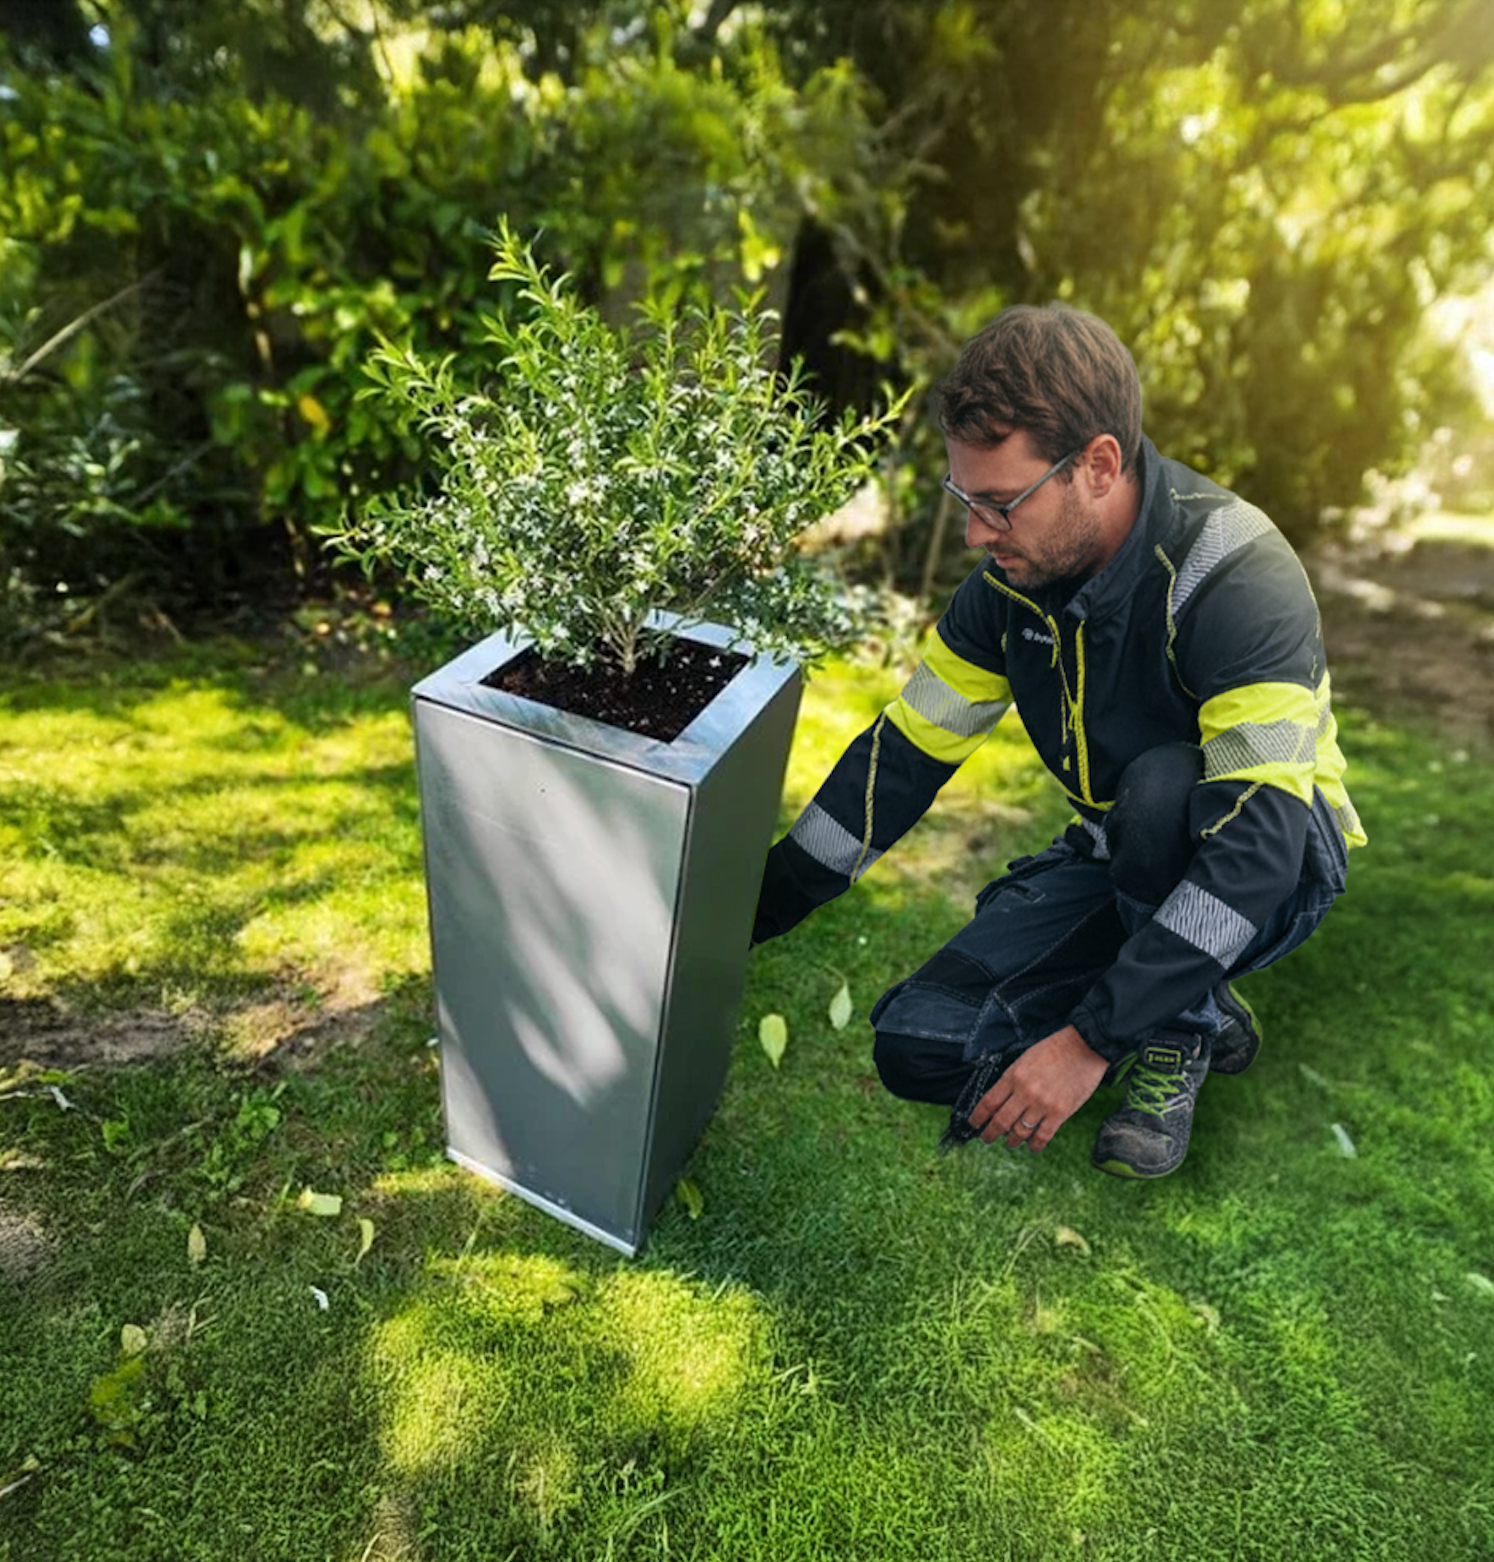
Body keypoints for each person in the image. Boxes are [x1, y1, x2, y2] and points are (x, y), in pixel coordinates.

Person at [749, 303, 1365, 1179]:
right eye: (965, 499)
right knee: (915, 1046)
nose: (976, 533)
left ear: (1099, 466)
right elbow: (900, 762)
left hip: (1279, 861)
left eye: (1000, 504)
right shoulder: (1008, 587)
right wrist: (746, 917)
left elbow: (1257, 848)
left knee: (1160, 788)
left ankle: (1174, 1024)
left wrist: (1088, 1041)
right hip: (1122, 850)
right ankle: (1184, 985)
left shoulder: (1238, 574)